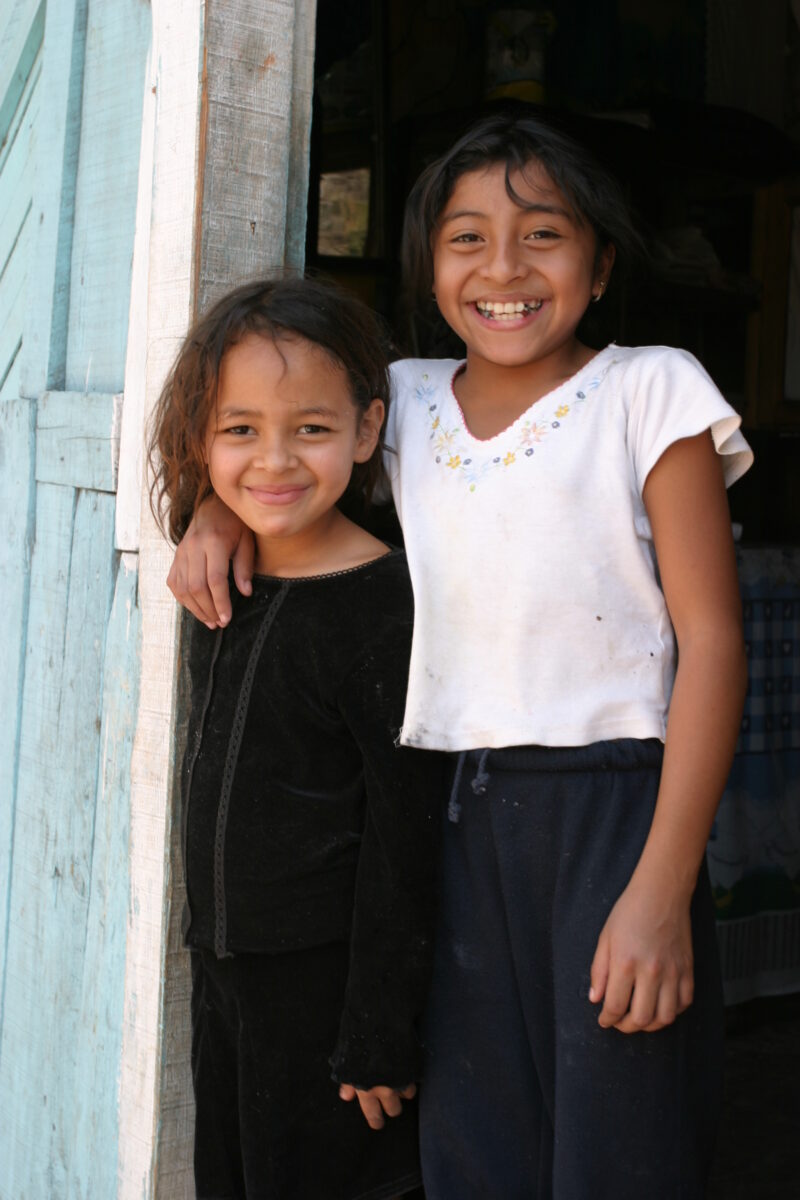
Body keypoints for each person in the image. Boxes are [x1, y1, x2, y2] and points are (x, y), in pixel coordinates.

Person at [166, 114, 753, 1199]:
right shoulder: (408, 401)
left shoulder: (647, 390)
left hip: (612, 809)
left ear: (601, 262)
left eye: (542, 236)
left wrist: (663, 889)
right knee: (471, 1144)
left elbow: (711, 641)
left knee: (616, 1136)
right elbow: (289, 441)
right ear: (426, 264)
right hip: (453, 817)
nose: (503, 270)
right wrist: (213, 508)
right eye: (465, 238)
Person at [148, 277, 441, 1200]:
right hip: (227, 973)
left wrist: (379, 1030)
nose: (274, 461)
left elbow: (408, 836)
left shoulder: (387, 608)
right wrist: (207, 511)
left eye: (310, 429)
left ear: (365, 432)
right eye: (240, 430)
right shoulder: (221, 581)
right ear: (202, 437)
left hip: (329, 997)